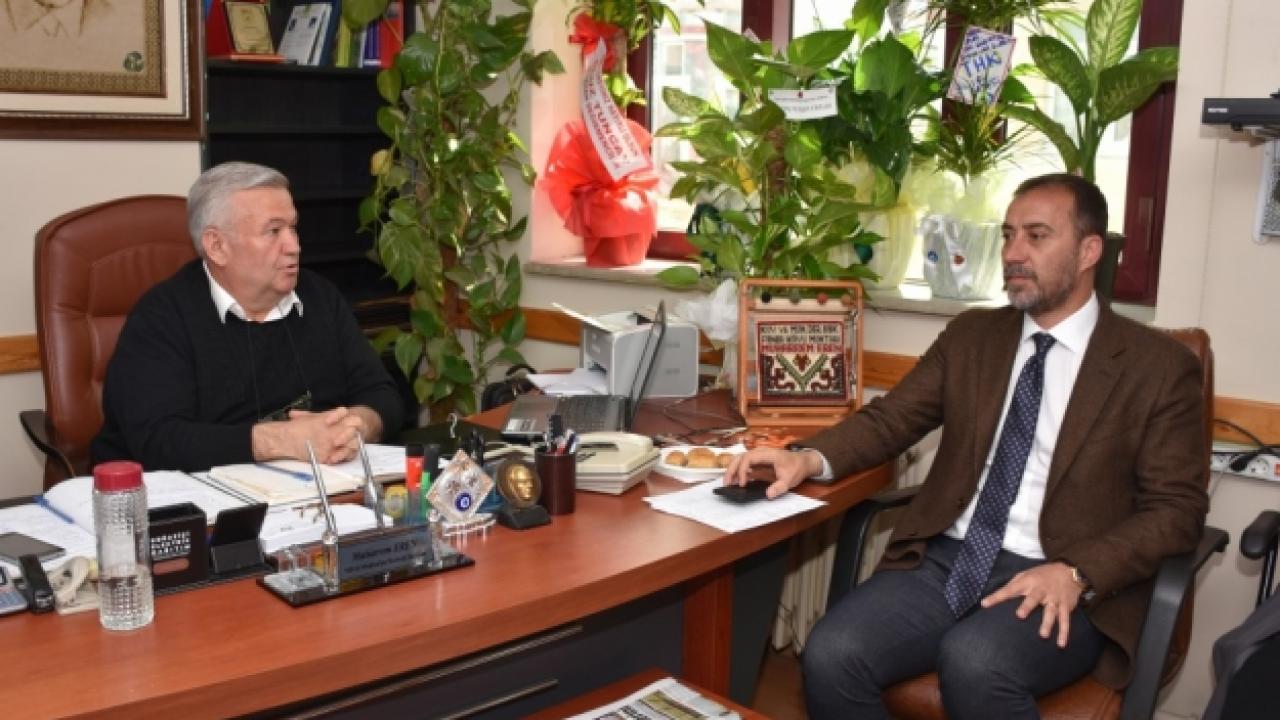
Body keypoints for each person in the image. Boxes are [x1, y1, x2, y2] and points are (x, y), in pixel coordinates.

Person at [724, 173, 1209, 718]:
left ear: (1088, 251)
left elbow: (1178, 509)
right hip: (948, 559)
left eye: (1036, 236)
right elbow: (892, 419)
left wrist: (1078, 572)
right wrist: (806, 457)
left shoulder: (1157, 367)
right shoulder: (974, 336)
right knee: (833, 653)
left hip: (1064, 576)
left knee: (975, 661)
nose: (1013, 253)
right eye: (1008, 235)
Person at [92, 162, 403, 472]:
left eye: (293, 228)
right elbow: (159, 440)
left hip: (314, 488)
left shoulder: (320, 297)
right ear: (217, 246)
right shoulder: (161, 317)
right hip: (194, 494)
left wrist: (356, 426)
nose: (294, 246)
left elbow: (382, 394)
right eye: (274, 231)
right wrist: (282, 440)